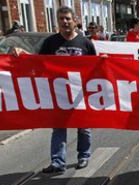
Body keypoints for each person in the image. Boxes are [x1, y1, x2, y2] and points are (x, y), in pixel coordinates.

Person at [13, 6, 96, 173]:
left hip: (80, 94)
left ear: (74, 21)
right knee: (58, 128)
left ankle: (83, 156)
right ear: (58, 21)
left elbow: (95, 67)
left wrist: (103, 61)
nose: (65, 22)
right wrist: (23, 54)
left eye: (67, 18)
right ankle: (58, 162)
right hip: (58, 94)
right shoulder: (50, 42)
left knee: (83, 128)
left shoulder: (85, 43)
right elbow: (38, 62)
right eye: (61, 19)